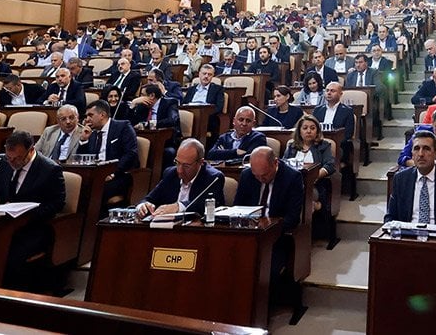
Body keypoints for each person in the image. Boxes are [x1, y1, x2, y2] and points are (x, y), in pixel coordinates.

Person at [0, 131, 66, 291]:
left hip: (35, 228)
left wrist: (27, 215)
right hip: (5, 225)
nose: (12, 162)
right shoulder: (5, 163)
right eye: (9, 157)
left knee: (9, 256)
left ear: (31, 150)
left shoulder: (50, 170)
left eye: (18, 158)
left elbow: (57, 204)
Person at [234, 146, 306, 311]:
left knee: (264, 270)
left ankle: (260, 309)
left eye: (264, 175)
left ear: (275, 163)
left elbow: (292, 218)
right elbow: (237, 207)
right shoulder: (247, 175)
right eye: (256, 175)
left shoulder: (292, 177)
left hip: (276, 238)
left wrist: (269, 228)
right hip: (249, 234)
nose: (260, 179)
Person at [385, 129, 436, 226]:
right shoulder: (401, 179)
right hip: (407, 237)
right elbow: (390, 217)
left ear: (435, 154)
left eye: (426, 148)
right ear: (412, 154)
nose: (421, 154)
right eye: (416, 148)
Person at [76, 101, 140, 215]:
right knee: (78, 189)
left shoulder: (123, 126)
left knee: (94, 191)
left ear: (102, 115)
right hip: (96, 176)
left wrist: (112, 173)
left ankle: (94, 225)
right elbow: (81, 159)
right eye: (86, 116)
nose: (87, 119)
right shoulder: (92, 133)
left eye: (90, 115)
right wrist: (84, 140)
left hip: (119, 175)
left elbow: (131, 154)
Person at [283, 114, 338, 243]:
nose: (309, 131)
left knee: (300, 196)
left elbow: (330, 166)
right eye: (305, 128)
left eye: (312, 128)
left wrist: (313, 176)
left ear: (317, 131)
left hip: (314, 185)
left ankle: (298, 234)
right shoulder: (291, 146)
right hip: (292, 185)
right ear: (299, 131)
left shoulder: (324, 146)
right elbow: (284, 164)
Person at [136, 139, 225, 216]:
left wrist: (179, 206)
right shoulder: (171, 173)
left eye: (186, 166)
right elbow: (150, 198)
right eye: (177, 163)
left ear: (200, 162)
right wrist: (144, 205)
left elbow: (203, 205)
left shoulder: (214, 178)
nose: (180, 170)